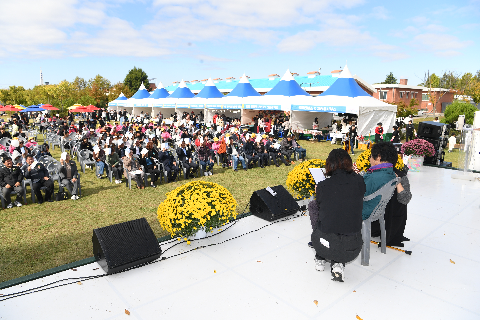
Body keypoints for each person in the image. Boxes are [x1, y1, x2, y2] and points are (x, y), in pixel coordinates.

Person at [309, 149, 366, 282]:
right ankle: (338, 263)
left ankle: (320, 257)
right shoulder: (359, 181)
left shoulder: (323, 185)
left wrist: (320, 191)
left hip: (323, 245)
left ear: (329, 165)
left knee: (315, 209)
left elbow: (322, 205)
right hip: (353, 247)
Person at [371, 165, 412, 247]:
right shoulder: (373, 173)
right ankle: (378, 230)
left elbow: (405, 199)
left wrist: (397, 182)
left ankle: (390, 234)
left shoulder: (399, 176)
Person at [362, 142, 398, 221]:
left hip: (364, 212)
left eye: (370, 156)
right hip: (377, 210)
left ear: (378, 157)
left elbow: (357, 194)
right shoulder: (391, 174)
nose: (370, 159)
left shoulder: (373, 177)